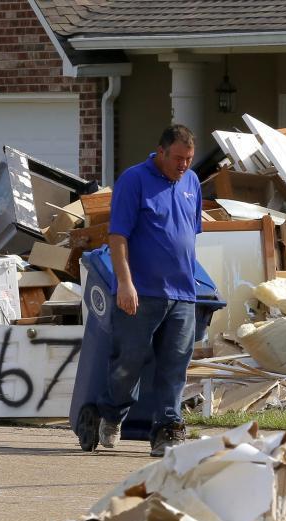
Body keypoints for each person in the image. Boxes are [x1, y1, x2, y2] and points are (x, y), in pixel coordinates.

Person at [96, 124, 202, 457]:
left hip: (183, 293)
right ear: (160, 151)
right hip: (140, 293)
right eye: (178, 159)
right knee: (128, 363)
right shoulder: (134, 179)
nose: (183, 165)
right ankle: (112, 414)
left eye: (189, 159)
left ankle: (167, 430)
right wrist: (125, 283)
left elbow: (189, 234)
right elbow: (118, 237)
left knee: (175, 367)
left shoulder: (192, 183)